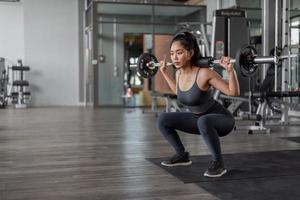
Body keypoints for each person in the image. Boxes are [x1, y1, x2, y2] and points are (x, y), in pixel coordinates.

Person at [157, 31, 240, 178]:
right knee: (163, 119)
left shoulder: (204, 73)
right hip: (198, 120)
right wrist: (163, 73)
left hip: (222, 120)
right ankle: (182, 155)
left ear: (190, 53)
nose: (174, 57)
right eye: (172, 53)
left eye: (179, 53)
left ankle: (218, 164)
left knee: (204, 120)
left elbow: (233, 92)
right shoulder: (179, 73)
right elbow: (178, 91)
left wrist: (230, 70)